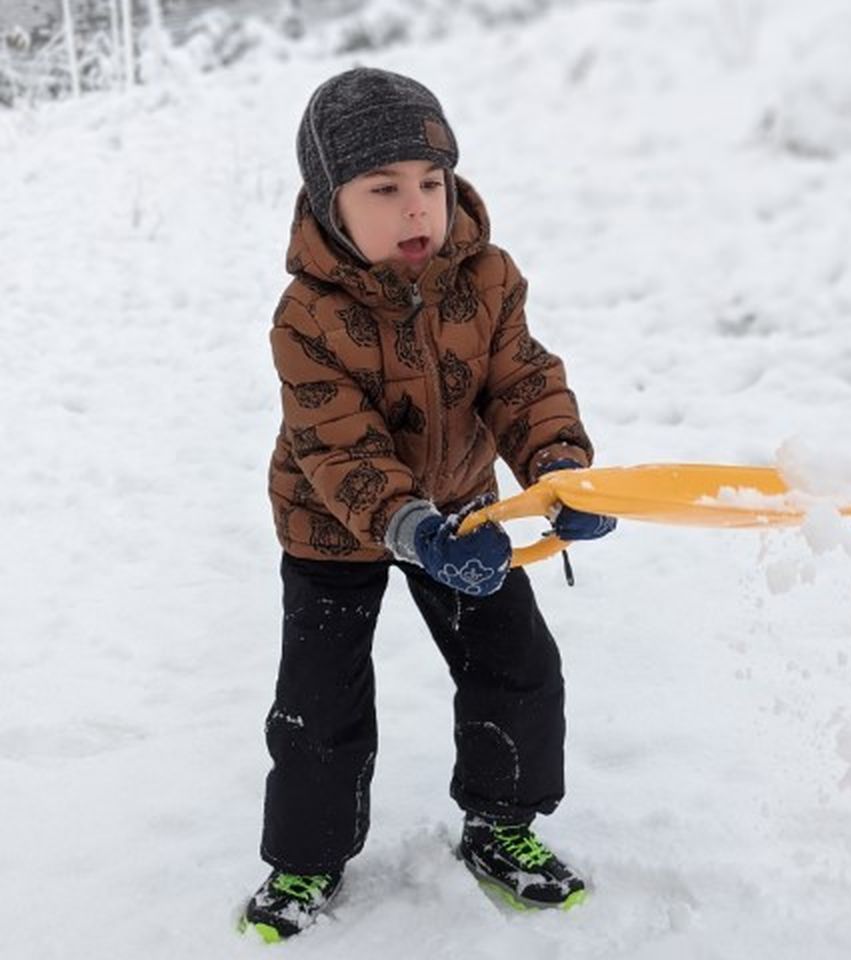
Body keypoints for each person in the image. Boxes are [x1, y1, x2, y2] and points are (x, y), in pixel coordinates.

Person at [242, 67, 616, 942]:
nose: (416, 208)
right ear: (331, 202)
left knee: (518, 667)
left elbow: (521, 382)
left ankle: (502, 825)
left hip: (465, 512)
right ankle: (306, 857)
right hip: (333, 525)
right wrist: (412, 528)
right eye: (384, 188)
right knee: (321, 701)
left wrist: (559, 471)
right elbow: (337, 444)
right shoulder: (305, 315)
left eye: (431, 184)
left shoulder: (486, 280)